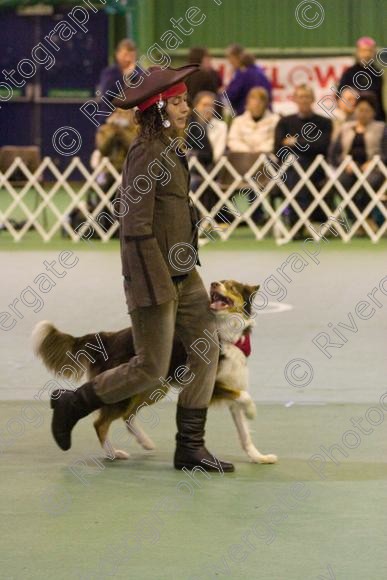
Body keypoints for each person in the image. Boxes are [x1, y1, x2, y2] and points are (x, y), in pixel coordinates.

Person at [50, 65, 235, 473]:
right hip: (154, 278)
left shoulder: (173, 145)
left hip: (185, 273)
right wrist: (157, 283)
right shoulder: (146, 151)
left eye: (186, 101)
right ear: (159, 109)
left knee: (205, 352)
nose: (188, 108)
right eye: (179, 102)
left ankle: (190, 447)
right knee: (150, 368)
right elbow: (133, 226)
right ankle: (73, 403)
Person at [274, 85, 332, 230]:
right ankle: (301, 221)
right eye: (300, 97)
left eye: (307, 96)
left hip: (316, 170)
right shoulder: (284, 122)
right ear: (294, 99)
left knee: (299, 166)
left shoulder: (324, 122)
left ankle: (297, 222)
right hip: (288, 169)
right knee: (295, 166)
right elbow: (278, 148)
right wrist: (306, 144)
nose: (304, 100)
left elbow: (322, 147)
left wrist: (296, 142)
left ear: (313, 99)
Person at [329, 94, 387, 227]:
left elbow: (385, 153)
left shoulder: (381, 128)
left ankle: (365, 218)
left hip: (374, 168)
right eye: (360, 110)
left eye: (367, 110)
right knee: (341, 182)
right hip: (348, 168)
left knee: (371, 182)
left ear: (373, 112)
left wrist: (374, 162)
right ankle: (357, 219)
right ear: (355, 110)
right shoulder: (345, 128)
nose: (363, 114)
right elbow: (333, 154)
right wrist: (344, 164)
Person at [186, 91, 228, 219]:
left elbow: (216, 156)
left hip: (209, 170)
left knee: (190, 182)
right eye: (204, 105)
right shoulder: (187, 125)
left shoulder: (221, 126)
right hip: (187, 168)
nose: (208, 108)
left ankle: (194, 220)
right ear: (196, 107)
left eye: (211, 105)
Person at [337, 37, 385, 121]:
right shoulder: (349, 73)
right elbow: (339, 96)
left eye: (369, 51)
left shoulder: (378, 74)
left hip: (374, 120)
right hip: (352, 119)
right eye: (363, 51)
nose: (366, 54)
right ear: (358, 52)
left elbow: (380, 100)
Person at [228, 87, 279, 153]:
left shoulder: (275, 120)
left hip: (266, 157)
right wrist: (247, 150)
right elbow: (232, 140)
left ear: (266, 103)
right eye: (253, 99)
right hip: (243, 157)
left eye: (261, 100)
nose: (257, 103)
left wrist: (259, 150)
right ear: (247, 102)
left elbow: (274, 140)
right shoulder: (238, 121)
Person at [225, 44, 272, 115]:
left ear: (236, 58)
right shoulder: (261, 73)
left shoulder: (241, 74)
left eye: (230, 58)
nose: (230, 62)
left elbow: (231, 95)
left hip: (246, 114)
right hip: (265, 113)